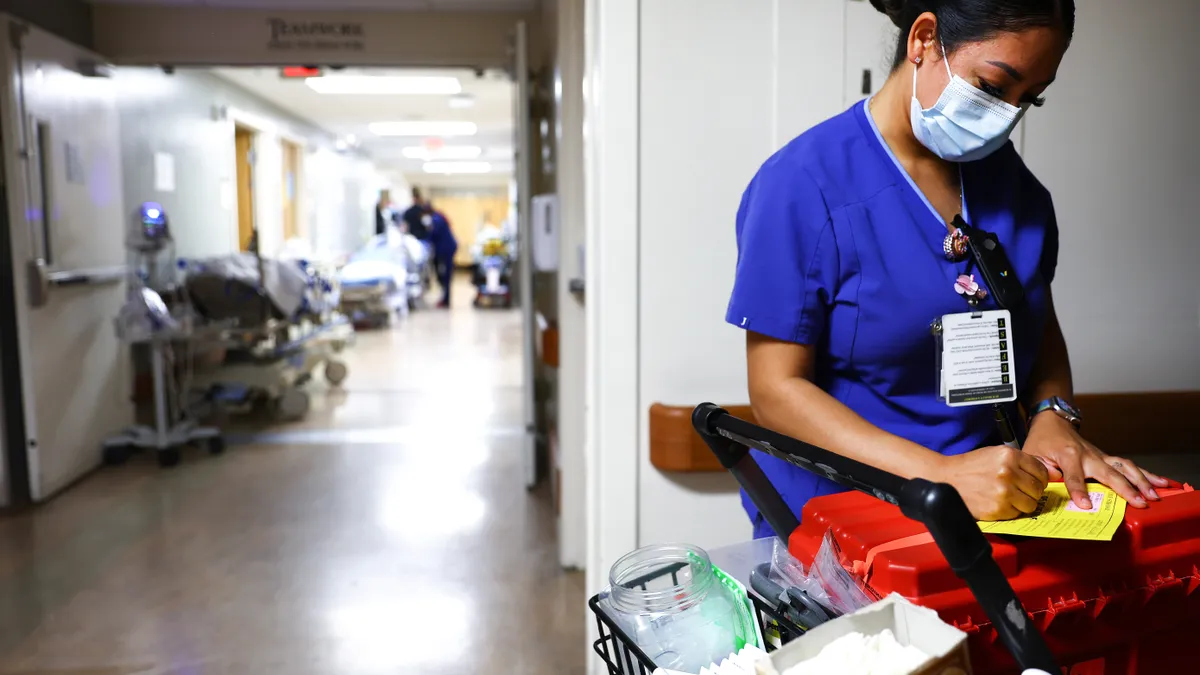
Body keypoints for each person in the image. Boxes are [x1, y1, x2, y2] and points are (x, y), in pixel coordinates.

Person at [726, 0, 1171, 539]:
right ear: (924, 40)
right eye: (992, 86)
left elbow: (1036, 323)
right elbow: (776, 391)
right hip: (843, 520)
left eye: (1028, 98)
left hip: (989, 511)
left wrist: (1053, 414)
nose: (1007, 115)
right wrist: (940, 475)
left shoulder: (1016, 192)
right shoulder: (801, 186)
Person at [428, 207, 458, 308]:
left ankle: (446, 300)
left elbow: (434, 234)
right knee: (446, 276)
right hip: (448, 248)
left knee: (445, 276)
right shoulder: (439, 217)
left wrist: (427, 237)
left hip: (446, 250)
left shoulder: (436, 219)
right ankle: (445, 299)